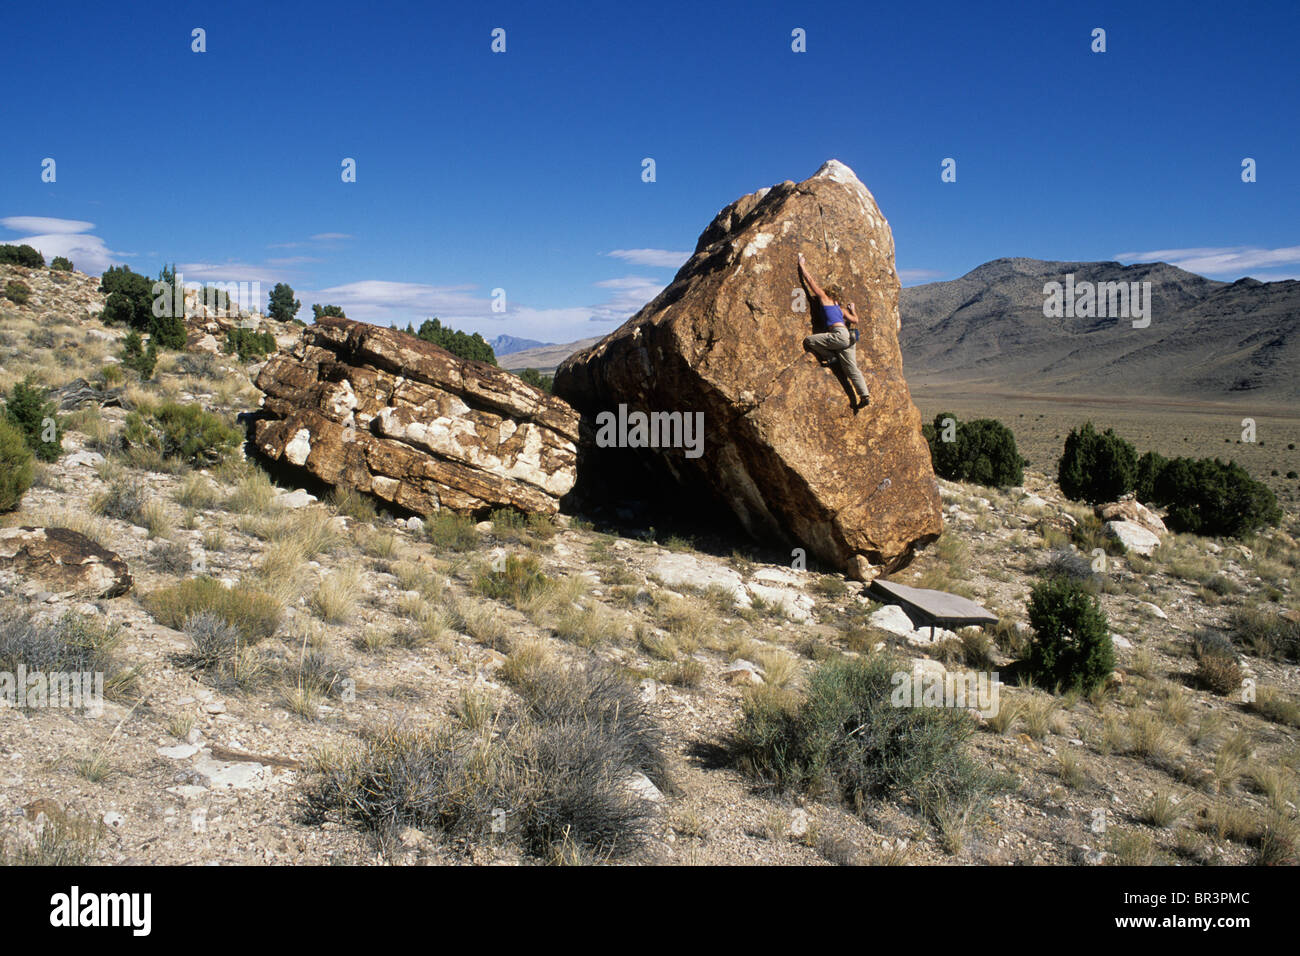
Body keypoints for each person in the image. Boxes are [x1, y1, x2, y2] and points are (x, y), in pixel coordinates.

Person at [796, 253, 870, 411]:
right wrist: (853, 310)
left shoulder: (825, 299)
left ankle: (830, 357)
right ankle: (864, 394)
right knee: (852, 369)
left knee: (809, 340)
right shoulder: (840, 308)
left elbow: (811, 283)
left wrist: (802, 266)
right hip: (849, 339)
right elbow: (855, 320)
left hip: (839, 335)